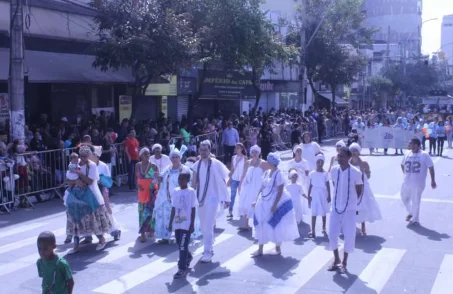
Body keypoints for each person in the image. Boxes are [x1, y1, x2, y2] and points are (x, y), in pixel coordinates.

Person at [66, 146, 112, 253]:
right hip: (76, 194)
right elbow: (68, 179)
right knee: (74, 217)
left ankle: (101, 239)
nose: (82, 158)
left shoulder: (92, 166)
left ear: (89, 156)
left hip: (91, 195)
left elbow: (90, 181)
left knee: (93, 217)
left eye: (85, 156)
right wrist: (76, 181)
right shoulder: (74, 163)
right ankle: (76, 244)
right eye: (81, 156)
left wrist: (79, 174)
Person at [252, 152, 299, 257]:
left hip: (274, 200)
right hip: (263, 200)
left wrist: (274, 205)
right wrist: (256, 200)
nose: (266, 162)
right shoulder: (266, 172)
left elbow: (280, 190)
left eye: (268, 161)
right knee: (261, 222)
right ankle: (260, 249)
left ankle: (277, 246)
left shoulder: (278, 174)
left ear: (272, 163)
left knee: (277, 223)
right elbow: (262, 187)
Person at [192, 140, 230, 263]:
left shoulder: (216, 163)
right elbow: (193, 183)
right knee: (203, 226)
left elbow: (224, 180)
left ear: (209, 150)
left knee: (208, 225)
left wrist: (226, 197)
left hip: (212, 199)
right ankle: (209, 244)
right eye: (201, 150)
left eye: (205, 150)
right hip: (200, 199)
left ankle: (207, 250)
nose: (203, 152)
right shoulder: (196, 165)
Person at [328, 147, 363, 273]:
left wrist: (353, 204)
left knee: (349, 236)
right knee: (332, 234)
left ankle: (344, 262)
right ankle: (336, 259)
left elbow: (359, 190)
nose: (340, 158)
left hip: (349, 209)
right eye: (339, 156)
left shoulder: (356, 172)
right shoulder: (333, 170)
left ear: (348, 158)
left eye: (342, 156)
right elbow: (333, 184)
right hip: (335, 207)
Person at [400, 137, 437, 225]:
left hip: (418, 182)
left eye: (411, 143)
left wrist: (433, 180)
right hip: (406, 181)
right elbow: (402, 164)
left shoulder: (424, 155)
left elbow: (431, 167)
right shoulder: (407, 153)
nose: (409, 145)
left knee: (415, 200)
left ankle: (415, 219)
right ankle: (411, 212)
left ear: (416, 145)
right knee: (404, 198)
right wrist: (405, 173)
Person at [168, 172, 197, 279]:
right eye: (179, 179)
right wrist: (170, 223)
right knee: (179, 244)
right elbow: (174, 207)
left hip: (186, 223)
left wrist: (192, 224)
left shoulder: (191, 192)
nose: (180, 181)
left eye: (182, 179)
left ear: (187, 180)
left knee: (182, 245)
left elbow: (193, 208)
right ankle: (188, 256)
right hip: (177, 222)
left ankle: (182, 268)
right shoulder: (176, 191)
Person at [349, 143, 382, 235]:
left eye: (355, 151)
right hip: (351, 187)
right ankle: (351, 224)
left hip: (363, 187)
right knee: (352, 207)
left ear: (359, 152)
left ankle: (363, 225)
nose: (354, 153)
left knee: (362, 206)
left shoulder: (363, 163)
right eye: (352, 151)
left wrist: (363, 175)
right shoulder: (348, 162)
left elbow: (368, 175)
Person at [234, 145, 265, 230]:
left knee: (258, 204)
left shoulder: (263, 163)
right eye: (253, 152)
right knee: (246, 203)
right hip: (248, 186)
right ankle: (246, 224)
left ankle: (260, 223)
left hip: (258, 187)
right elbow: (243, 175)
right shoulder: (247, 162)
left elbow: (267, 175)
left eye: (256, 152)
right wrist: (240, 185)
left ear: (259, 153)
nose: (254, 154)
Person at [136, 147, 159, 242]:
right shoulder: (138, 165)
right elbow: (136, 178)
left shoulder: (154, 166)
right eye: (145, 153)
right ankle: (142, 233)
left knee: (150, 211)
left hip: (151, 191)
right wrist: (138, 186)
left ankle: (151, 229)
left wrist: (154, 188)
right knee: (142, 212)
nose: (147, 155)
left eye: (149, 153)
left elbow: (157, 180)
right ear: (141, 155)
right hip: (141, 192)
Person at [307, 154, 331, 238]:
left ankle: (324, 227)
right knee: (314, 212)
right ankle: (313, 230)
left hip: (323, 193)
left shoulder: (325, 174)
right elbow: (310, 185)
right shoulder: (312, 173)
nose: (320, 163)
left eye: (322, 162)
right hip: (315, 194)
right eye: (318, 162)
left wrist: (329, 195)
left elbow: (328, 185)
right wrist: (308, 195)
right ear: (316, 162)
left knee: (323, 210)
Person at [227, 143, 247, 219]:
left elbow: (245, 170)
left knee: (242, 196)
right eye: (236, 148)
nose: (236, 149)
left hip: (242, 179)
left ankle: (242, 212)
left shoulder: (245, 158)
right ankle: (230, 211)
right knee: (232, 195)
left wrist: (243, 179)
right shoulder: (233, 158)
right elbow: (232, 169)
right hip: (234, 179)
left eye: (238, 148)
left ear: (242, 149)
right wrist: (230, 179)